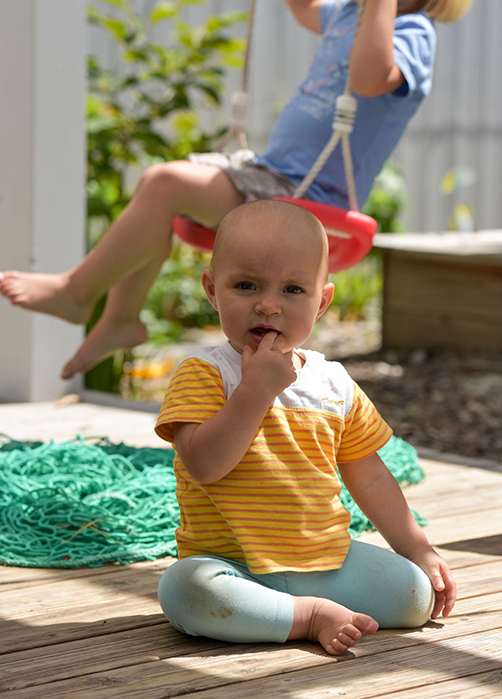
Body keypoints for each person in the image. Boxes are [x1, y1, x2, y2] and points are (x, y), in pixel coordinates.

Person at [0, 0, 473, 379]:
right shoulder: (350, 14)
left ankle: (78, 293)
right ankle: (120, 318)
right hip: (270, 175)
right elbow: (307, 1)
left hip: (306, 197)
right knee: (156, 187)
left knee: (165, 182)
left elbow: (371, 78)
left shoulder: (413, 31)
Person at [154, 199, 455, 655]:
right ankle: (308, 615)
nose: (268, 306)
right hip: (229, 565)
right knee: (185, 591)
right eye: (246, 285)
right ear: (213, 291)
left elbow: (370, 476)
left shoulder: (334, 382)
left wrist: (418, 549)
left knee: (415, 595)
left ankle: (283, 610)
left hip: (326, 559)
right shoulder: (204, 373)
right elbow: (204, 465)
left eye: (293, 290)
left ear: (322, 302)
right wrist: (254, 391)